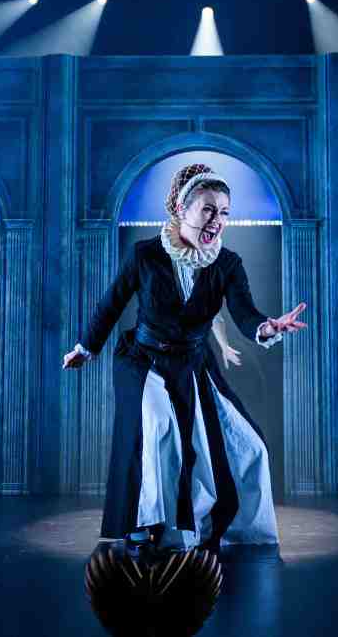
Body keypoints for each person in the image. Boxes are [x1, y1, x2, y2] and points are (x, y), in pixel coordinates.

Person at [63, 163, 306, 552]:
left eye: (224, 212)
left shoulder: (227, 264)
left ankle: (225, 528)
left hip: (193, 363)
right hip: (143, 360)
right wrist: (85, 348)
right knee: (159, 427)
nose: (217, 220)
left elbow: (244, 313)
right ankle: (143, 522)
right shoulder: (146, 255)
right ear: (181, 208)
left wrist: (267, 328)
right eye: (208, 209)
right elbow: (110, 304)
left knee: (249, 446)